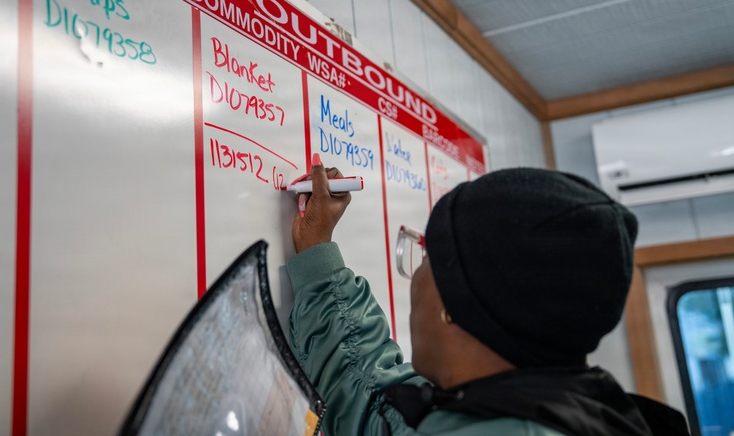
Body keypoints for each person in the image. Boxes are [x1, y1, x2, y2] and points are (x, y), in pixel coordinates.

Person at [286, 157, 689, 435]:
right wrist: (319, 258)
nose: (415, 276)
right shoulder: (567, 414)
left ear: (457, 310)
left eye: (429, 257)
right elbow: (376, 409)